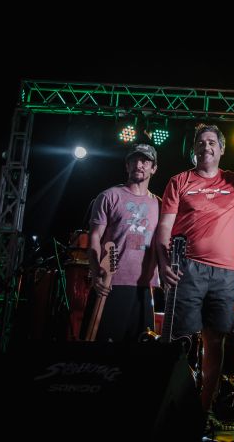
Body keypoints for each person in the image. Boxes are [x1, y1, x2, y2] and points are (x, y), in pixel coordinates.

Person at [153, 124, 234, 432]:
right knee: (182, 341)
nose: (206, 147)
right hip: (187, 268)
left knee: (215, 341)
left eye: (212, 142)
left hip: (225, 273)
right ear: (194, 148)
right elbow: (164, 227)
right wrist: (163, 263)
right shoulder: (179, 181)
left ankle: (203, 412)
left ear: (222, 148)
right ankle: (175, 405)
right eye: (201, 142)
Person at [85, 143, 160, 342]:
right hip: (112, 282)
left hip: (144, 287)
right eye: (134, 160)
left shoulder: (159, 204)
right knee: (104, 348)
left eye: (145, 161)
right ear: (127, 166)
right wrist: (95, 272)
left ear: (153, 168)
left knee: (139, 350)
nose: (139, 165)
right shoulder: (109, 196)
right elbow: (94, 237)